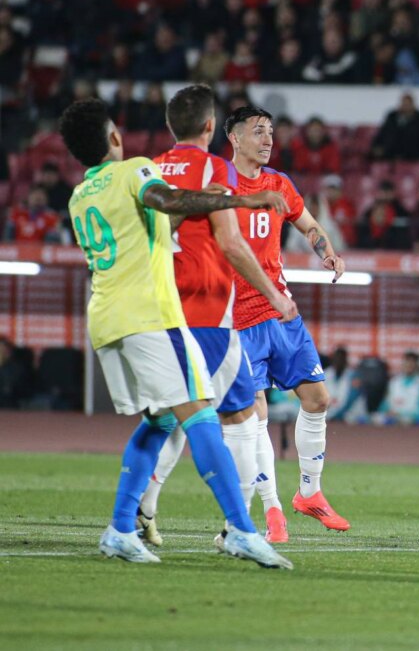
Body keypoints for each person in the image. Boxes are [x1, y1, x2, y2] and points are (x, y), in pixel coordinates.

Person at [57, 98, 290, 568]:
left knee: (160, 420)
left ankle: (123, 527)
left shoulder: (81, 193)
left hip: (106, 320)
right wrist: (243, 198)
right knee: (203, 417)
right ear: (115, 139)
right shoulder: (136, 171)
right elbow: (168, 201)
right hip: (150, 318)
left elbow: (165, 220)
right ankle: (242, 530)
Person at [136, 85, 299, 547]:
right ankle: (238, 527)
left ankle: (141, 508)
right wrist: (275, 295)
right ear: (211, 128)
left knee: (168, 413)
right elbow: (230, 243)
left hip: (159, 310)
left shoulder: (149, 170)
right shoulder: (215, 168)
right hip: (207, 311)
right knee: (243, 418)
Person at [225, 105, 351, 542]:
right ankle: (271, 509)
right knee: (254, 417)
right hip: (238, 319)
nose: (268, 139)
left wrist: (326, 251)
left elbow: (308, 223)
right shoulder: (219, 186)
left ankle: (309, 494)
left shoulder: (280, 184)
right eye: (258, 131)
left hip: (282, 312)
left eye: (271, 132)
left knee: (318, 399)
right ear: (234, 138)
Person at [376, 353, 419, 425]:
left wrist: (403, 415)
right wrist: (385, 412)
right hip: (393, 423)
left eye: (412, 363)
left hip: (414, 424)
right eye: (407, 362)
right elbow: (385, 405)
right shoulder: (394, 382)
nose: (409, 366)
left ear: (417, 365)